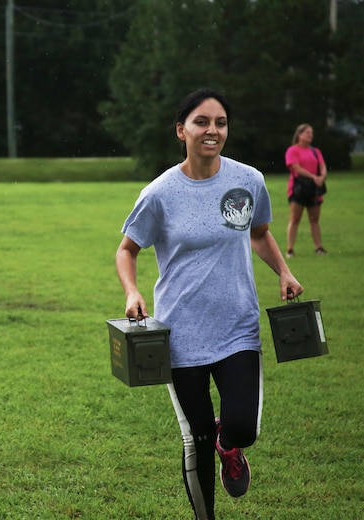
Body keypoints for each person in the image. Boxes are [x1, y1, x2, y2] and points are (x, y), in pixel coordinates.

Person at [115, 88, 303, 520]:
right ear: (181, 130)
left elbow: (258, 232)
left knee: (243, 427)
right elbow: (127, 249)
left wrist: (285, 272)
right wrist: (132, 290)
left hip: (238, 327)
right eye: (201, 122)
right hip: (179, 336)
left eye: (220, 122)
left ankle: (230, 445)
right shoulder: (159, 193)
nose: (212, 130)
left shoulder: (248, 180)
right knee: (194, 438)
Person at [284, 123, 328, 258]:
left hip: (314, 188)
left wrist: (322, 177)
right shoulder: (293, 150)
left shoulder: (315, 151)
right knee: (295, 218)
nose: (310, 136)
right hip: (299, 188)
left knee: (314, 219)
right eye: (307, 133)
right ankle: (290, 249)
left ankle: (319, 247)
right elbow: (296, 168)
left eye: (311, 133)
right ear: (299, 135)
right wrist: (313, 177)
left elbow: (322, 165)